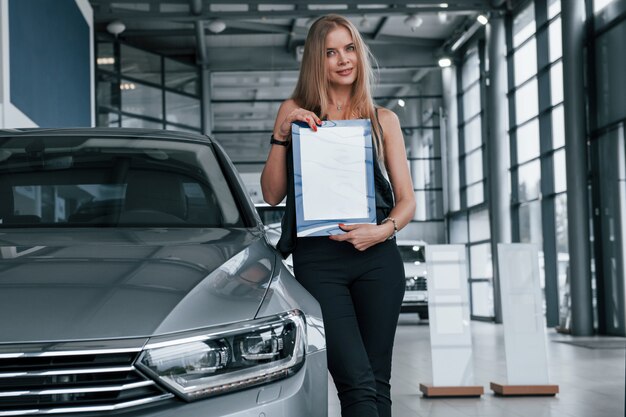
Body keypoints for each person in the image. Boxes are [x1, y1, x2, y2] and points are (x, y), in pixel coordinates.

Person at [260, 14, 416, 417]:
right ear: (317, 60)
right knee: (356, 383)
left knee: (377, 382)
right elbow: (272, 194)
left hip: (378, 259)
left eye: (349, 48)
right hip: (320, 262)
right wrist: (283, 135)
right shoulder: (294, 111)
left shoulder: (383, 120)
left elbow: (408, 201)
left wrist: (381, 231)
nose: (343, 59)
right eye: (331, 52)